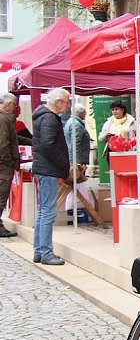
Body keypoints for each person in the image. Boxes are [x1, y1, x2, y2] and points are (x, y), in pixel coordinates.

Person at [32, 88, 71, 266]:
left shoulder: (43, 117)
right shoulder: (49, 118)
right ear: (58, 102)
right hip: (48, 169)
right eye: (66, 101)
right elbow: (48, 145)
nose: (68, 104)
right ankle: (46, 252)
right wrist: (63, 163)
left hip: (44, 167)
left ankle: (39, 250)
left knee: (43, 210)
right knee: (48, 211)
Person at [0, 93, 22, 238]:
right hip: (3, 165)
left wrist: (32, 141)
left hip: (3, 163)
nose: (16, 108)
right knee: (1, 195)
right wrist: (9, 162)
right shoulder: (4, 119)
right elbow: (3, 143)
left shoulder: (5, 119)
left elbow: (12, 137)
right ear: (8, 104)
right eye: (14, 105)